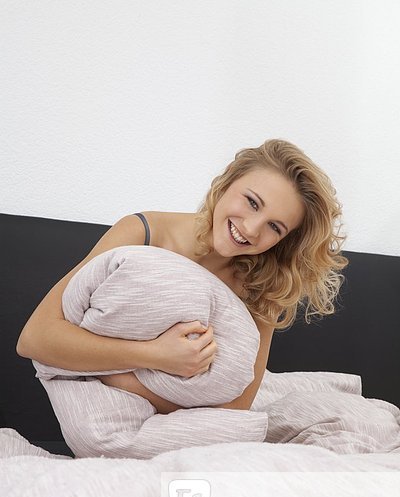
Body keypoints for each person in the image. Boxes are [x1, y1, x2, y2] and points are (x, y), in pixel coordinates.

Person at [17, 138, 348, 415]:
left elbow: (237, 406)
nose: (250, 228)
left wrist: (120, 378)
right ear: (228, 180)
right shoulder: (142, 232)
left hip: (178, 428)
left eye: (274, 227)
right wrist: (155, 356)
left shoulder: (263, 285)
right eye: (251, 202)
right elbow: (34, 338)